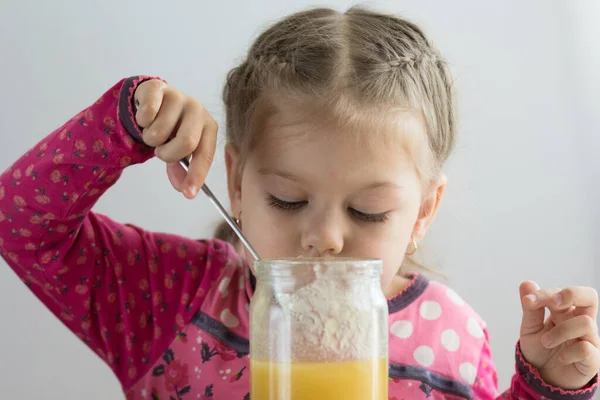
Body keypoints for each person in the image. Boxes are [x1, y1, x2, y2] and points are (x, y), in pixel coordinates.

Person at [0, 6, 598, 400]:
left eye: (367, 212)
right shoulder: (174, 299)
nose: (325, 238)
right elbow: (20, 221)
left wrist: (547, 384)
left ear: (421, 212)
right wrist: (122, 124)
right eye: (287, 199)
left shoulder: (451, 339)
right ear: (235, 182)